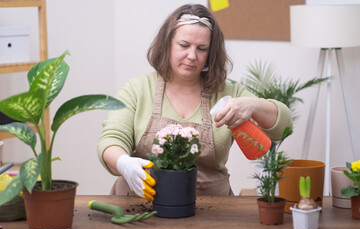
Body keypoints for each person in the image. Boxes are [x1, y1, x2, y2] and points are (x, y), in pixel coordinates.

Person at [97, 4, 293, 201]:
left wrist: (254, 105)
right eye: (184, 45)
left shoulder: (226, 94)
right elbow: (111, 140)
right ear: (168, 44)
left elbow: (283, 126)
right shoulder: (137, 90)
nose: (192, 56)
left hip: (212, 210)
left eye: (201, 49)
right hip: (139, 205)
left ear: (210, 53)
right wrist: (124, 163)